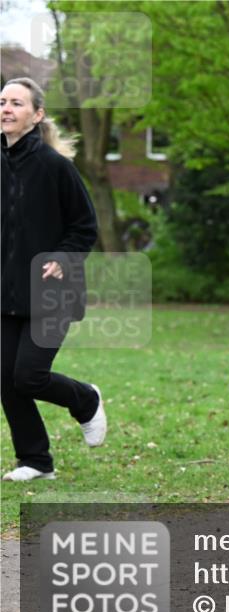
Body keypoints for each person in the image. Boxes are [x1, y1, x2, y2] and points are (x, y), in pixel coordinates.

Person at [1, 77, 106, 482]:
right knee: (6, 380)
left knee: (28, 375)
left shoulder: (55, 166)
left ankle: (86, 399)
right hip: (5, 292)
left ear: (37, 115)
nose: (6, 109)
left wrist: (62, 258)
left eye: (16, 103)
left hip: (51, 292)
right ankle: (36, 461)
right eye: (2, 102)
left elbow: (84, 226)